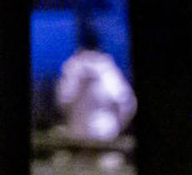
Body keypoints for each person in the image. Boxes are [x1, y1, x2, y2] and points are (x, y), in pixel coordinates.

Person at [55, 21, 136, 158]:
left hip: (79, 137)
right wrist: (118, 126)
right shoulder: (108, 68)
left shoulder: (72, 67)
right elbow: (127, 104)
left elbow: (63, 102)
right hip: (105, 136)